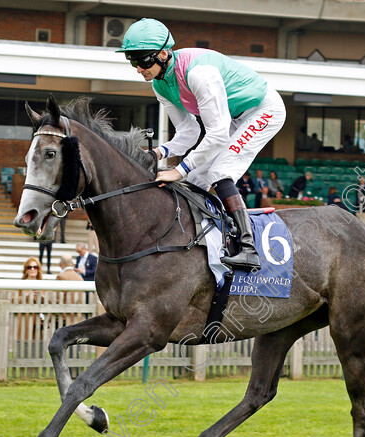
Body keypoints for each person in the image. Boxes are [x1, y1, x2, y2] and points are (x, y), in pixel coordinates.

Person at [119, 18, 286, 270]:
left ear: (164, 54)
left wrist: (179, 169)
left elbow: (217, 134)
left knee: (220, 171)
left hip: (264, 110)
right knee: (196, 180)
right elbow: (188, 132)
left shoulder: (198, 73)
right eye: (132, 61)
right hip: (234, 117)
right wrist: (156, 153)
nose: (138, 69)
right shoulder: (160, 84)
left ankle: (248, 247)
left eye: (143, 60)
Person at [13, 258, 46, 368]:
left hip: (38, 321)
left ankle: (35, 369)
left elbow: (49, 303)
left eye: (35, 267)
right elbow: (13, 300)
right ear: (26, 270)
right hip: (24, 320)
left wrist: (42, 297)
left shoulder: (43, 284)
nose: (32, 269)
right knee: (23, 346)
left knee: (37, 346)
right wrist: (26, 296)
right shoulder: (20, 284)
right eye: (29, 267)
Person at [56, 254, 85, 326]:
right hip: (78, 317)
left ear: (60, 264)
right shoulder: (80, 278)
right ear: (72, 264)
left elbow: (57, 298)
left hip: (64, 318)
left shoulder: (61, 276)